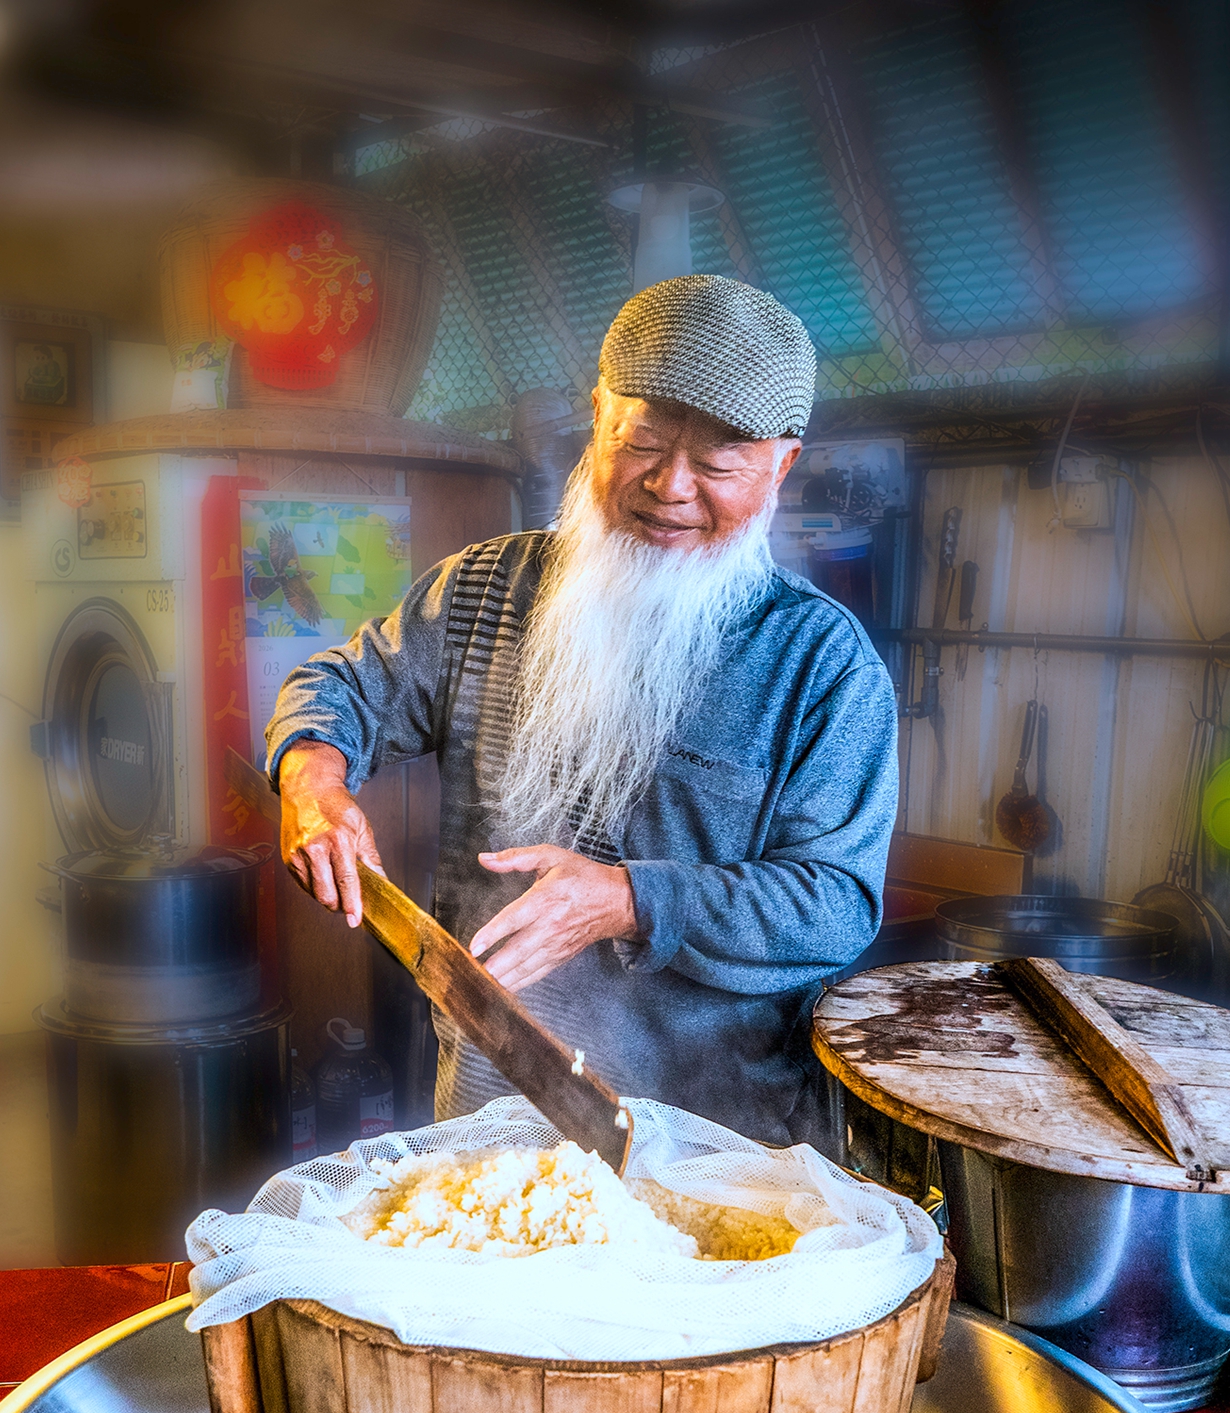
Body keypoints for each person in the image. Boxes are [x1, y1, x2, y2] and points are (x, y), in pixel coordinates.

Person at [268, 275, 898, 1146]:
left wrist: (630, 899)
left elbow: (834, 904)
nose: (671, 487)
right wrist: (311, 781)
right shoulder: (489, 588)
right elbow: (342, 687)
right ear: (598, 414)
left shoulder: (821, 665)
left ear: (781, 466)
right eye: (639, 441)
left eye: (718, 465)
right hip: (488, 1113)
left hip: (713, 1145)